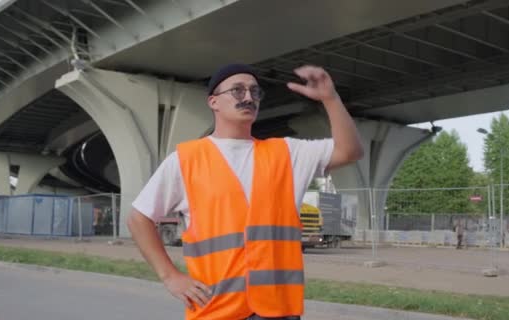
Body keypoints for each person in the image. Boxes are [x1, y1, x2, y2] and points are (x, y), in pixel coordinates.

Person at [127, 64, 364, 320]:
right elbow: (138, 218)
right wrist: (170, 276)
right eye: (238, 91)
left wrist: (330, 99)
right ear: (214, 102)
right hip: (216, 309)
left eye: (255, 92)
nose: (249, 97)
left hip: (278, 310)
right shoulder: (186, 160)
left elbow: (350, 151)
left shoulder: (287, 153)